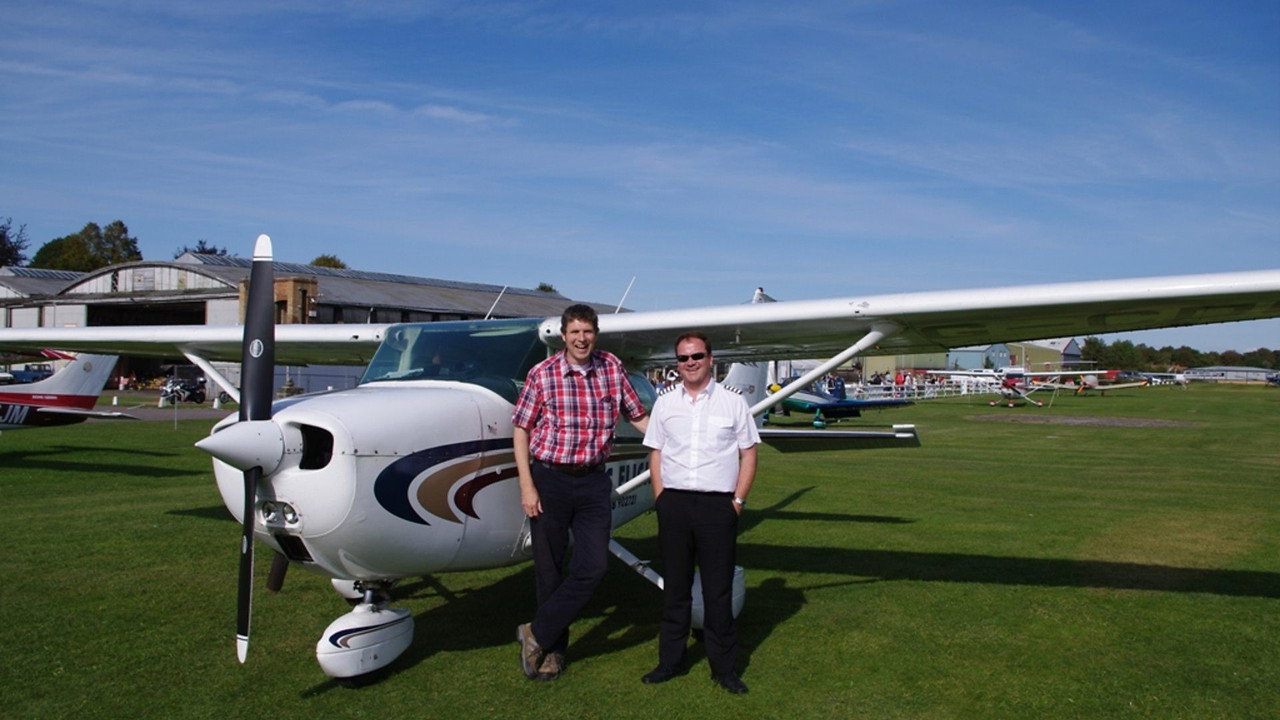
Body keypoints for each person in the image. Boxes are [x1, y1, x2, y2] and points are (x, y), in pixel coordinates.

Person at [512, 303, 649, 682]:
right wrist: (527, 484)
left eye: (587, 332)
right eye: (574, 332)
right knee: (549, 570)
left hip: (592, 481)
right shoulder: (543, 373)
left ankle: (535, 632)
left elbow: (637, 416)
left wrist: (676, 438)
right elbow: (522, 429)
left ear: (595, 334)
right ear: (564, 335)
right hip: (549, 479)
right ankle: (554, 652)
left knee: (593, 567)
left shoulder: (612, 368)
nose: (581, 338)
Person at [640, 331, 759, 695]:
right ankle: (670, 663)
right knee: (675, 589)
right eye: (682, 358)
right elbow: (656, 452)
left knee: (717, 590)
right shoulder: (665, 404)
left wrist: (737, 502)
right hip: (674, 504)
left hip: (717, 506)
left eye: (696, 356)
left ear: (711, 358)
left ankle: (724, 669)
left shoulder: (732, 403)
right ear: (676, 363)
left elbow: (749, 454)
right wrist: (660, 498)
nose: (689, 363)